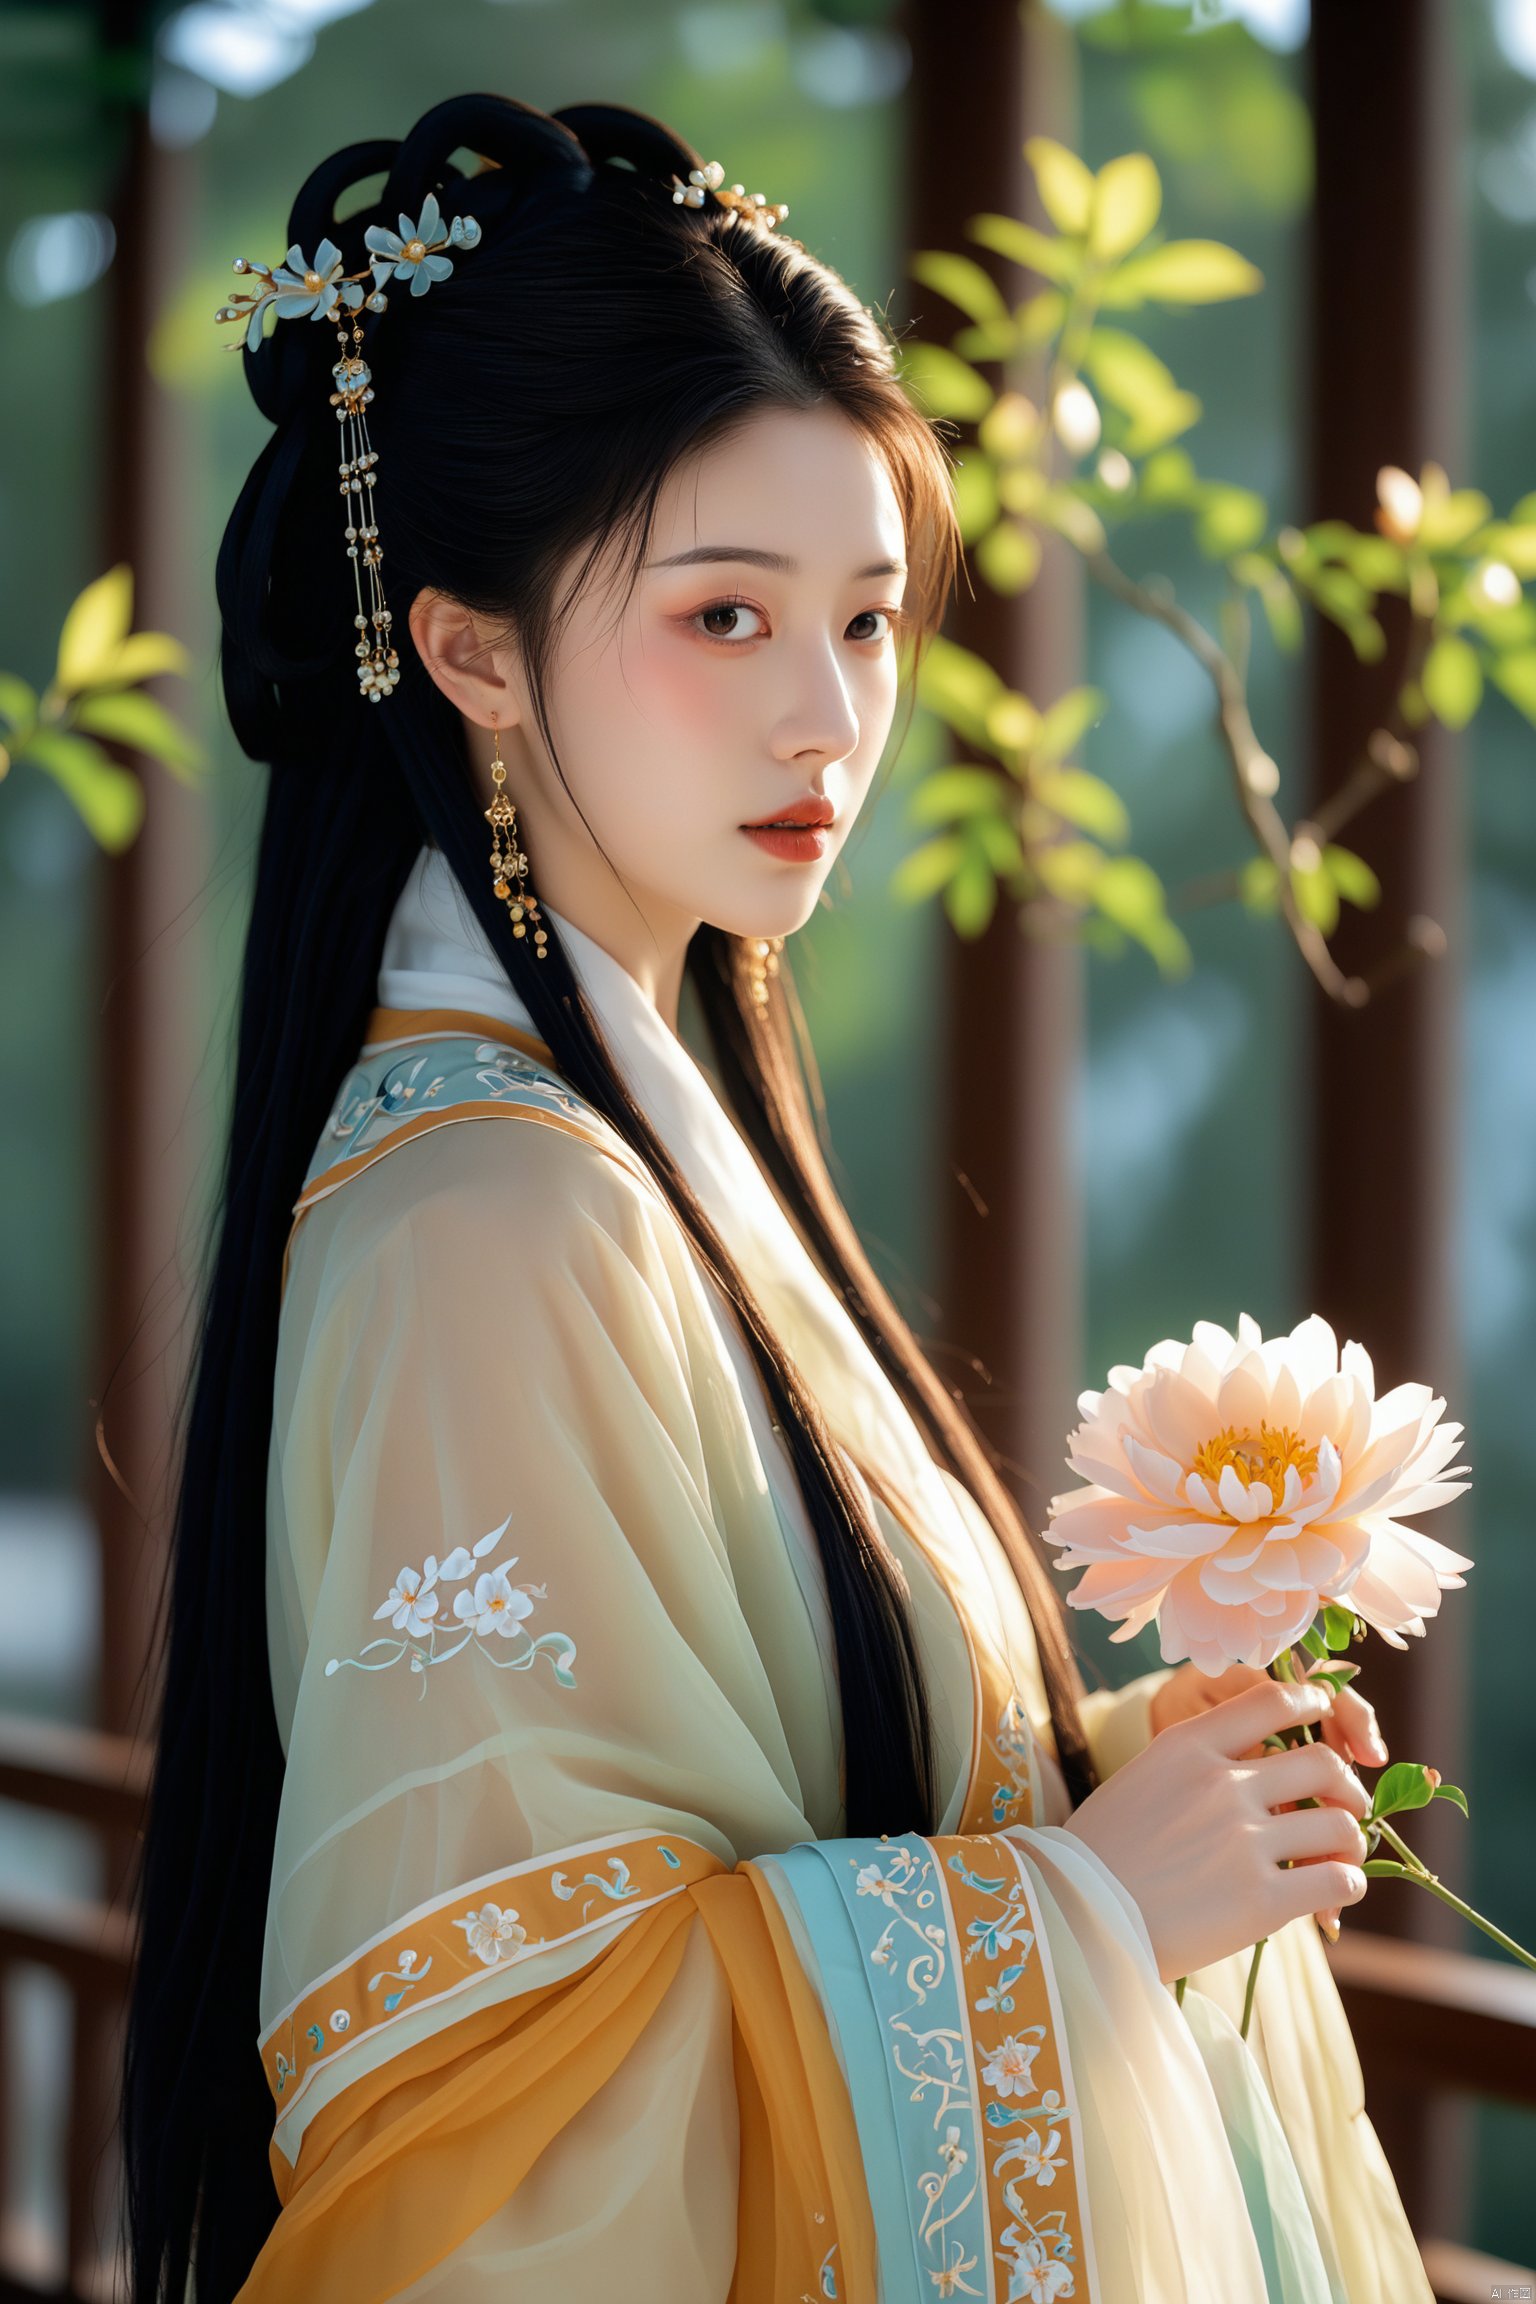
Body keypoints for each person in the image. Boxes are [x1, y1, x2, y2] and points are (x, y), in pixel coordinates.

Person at [121, 90, 1435, 2304]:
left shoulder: (646, 1136)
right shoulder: (491, 1219)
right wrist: (1093, 1919)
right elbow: (495, 2109)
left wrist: (1116, 1790)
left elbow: (755, 1835)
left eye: (868, 618)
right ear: (472, 651)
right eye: (724, 618)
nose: (830, 721)